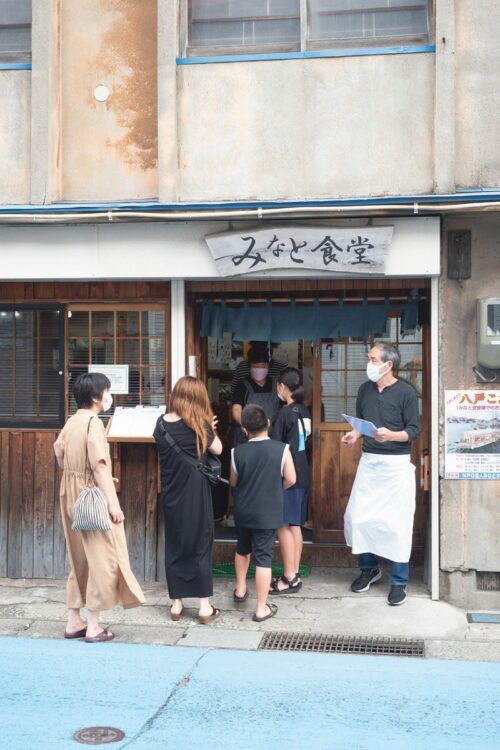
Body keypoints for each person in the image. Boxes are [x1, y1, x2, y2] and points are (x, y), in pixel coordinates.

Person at [53, 372, 145, 643]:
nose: (109, 396)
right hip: (91, 496)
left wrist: (60, 453)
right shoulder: (94, 423)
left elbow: (59, 454)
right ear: (96, 397)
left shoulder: (71, 421)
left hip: (70, 494)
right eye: (107, 391)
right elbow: (100, 467)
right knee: (102, 558)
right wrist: (113, 505)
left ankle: (74, 621)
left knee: (78, 557)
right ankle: (93, 626)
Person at [342, 342, 420, 606]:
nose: (369, 363)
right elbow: (361, 422)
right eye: (369, 358)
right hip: (369, 463)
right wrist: (354, 434)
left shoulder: (407, 392)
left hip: (396, 466)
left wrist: (392, 435)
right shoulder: (365, 389)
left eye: (373, 359)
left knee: (397, 526)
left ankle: (399, 582)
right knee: (358, 518)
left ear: (388, 364)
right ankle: (369, 569)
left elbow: (413, 431)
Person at [153, 376, 223, 624]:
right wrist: (210, 427)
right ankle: (204, 607)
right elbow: (219, 450)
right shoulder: (200, 425)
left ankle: (176, 603)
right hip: (196, 495)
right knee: (200, 544)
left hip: (171, 494)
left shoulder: (160, 425)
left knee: (175, 544)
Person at [231, 404, 296, 622]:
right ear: (268, 423)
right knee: (263, 558)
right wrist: (276, 489)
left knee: (242, 549)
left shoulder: (236, 452)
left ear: (244, 429)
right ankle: (261, 608)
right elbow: (291, 479)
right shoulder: (282, 449)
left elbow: (234, 482)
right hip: (268, 512)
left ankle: (240, 590)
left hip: (244, 510)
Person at [269, 367, 311, 594]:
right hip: (303, 471)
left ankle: (289, 576)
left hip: (289, 474)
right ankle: (293, 575)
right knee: (296, 525)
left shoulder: (284, 413)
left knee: (283, 525)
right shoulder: (304, 410)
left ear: (282, 386)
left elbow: (275, 445)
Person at [230, 345, 281, 447]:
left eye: (263, 367)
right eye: (256, 366)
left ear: (268, 366)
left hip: (271, 437)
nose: (260, 369)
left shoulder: (276, 384)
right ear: (250, 366)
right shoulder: (243, 385)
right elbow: (236, 409)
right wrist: (246, 425)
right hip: (247, 436)